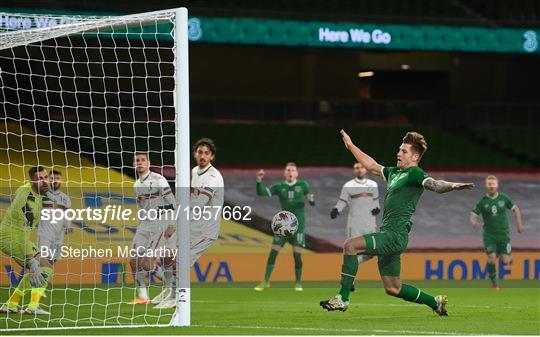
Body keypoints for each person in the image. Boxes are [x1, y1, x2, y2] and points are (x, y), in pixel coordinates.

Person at [320, 130, 474, 316]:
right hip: (390, 235)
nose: (398, 153)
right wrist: (351, 145)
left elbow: (434, 184)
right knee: (393, 288)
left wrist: (451, 185)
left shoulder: (415, 174)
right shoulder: (394, 173)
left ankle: (343, 298)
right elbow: (371, 165)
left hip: (394, 235)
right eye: (399, 150)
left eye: (404, 151)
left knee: (350, 245)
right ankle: (435, 302)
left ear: (415, 156)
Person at [149, 138, 224, 309]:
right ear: (194, 154)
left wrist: (177, 222)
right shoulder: (195, 171)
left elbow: (198, 205)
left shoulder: (213, 177)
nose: (202, 156)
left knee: (180, 260)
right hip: (191, 225)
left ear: (212, 156)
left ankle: (176, 297)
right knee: (167, 252)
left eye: (206, 153)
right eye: (200, 152)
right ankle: (168, 289)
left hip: (205, 230)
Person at [254, 162, 315, 292]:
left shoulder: (303, 185)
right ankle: (265, 282)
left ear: (297, 173)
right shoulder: (279, 187)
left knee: (297, 255)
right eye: (288, 170)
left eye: (293, 170)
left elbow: (312, 200)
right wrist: (258, 180)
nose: (290, 172)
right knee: (273, 252)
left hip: (298, 226)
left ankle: (298, 282)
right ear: (284, 173)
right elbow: (261, 193)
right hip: (283, 226)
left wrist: (310, 199)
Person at [0, 166, 52, 315]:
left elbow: (18, 192)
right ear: (32, 181)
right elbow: (23, 236)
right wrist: (30, 261)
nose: (44, 181)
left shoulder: (30, 189)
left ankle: (13, 304)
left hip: (16, 234)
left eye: (45, 177)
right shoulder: (26, 204)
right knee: (41, 265)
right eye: (40, 179)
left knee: (45, 265)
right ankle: (30, 306)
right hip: (10, 237)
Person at [128, 152, 176, 305]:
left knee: (147, 264)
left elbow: (173, 203)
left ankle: (172, 286)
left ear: (148, 163)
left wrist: (172, 225)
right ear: (134, 164)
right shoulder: (136, 185)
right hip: (144, 225)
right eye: (137, 160)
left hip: (160, 224)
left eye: (143, 160)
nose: (140, 162)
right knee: (133, 260)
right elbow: (142, 208)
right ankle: (143, 297)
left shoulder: (159, 180)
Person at [469, 175, 524, 290]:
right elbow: (473, 215)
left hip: (503, 235)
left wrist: (519, 224)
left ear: (497, 185)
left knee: (506, 261)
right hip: (489, 235)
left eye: (493, 184)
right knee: (491, 258)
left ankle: (502, 255)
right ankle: (494, 284)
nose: (491, 187)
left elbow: (516, 209)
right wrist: (474, 222)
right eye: (489, 184)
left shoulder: (504, 198)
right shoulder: (482, 202)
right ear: (486, 186)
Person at [331, 162, 380, 291]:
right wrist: (336, 210)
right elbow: (342, 201)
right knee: (352, 251)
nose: (359, 169)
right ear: (354, 170)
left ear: (365, 170)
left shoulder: (373, 185)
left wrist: (377, 209)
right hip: (354, 223)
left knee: (371, 253)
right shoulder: (348, 185)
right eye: (357, 168)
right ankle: (349, 281)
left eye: (362, 167)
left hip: (369, 222)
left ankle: (345, 273)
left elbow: (376, 202)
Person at [38, 170, 72, 263]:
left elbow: (67, 213)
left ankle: (46, 276)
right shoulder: (42, 195)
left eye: (57, 178)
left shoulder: (65, 198)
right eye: (52, 178)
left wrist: (68, 226)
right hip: (45, 232)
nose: (55, 181)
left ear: (61, 180)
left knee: (53, 260)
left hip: (59, 234)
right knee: (42, 258)